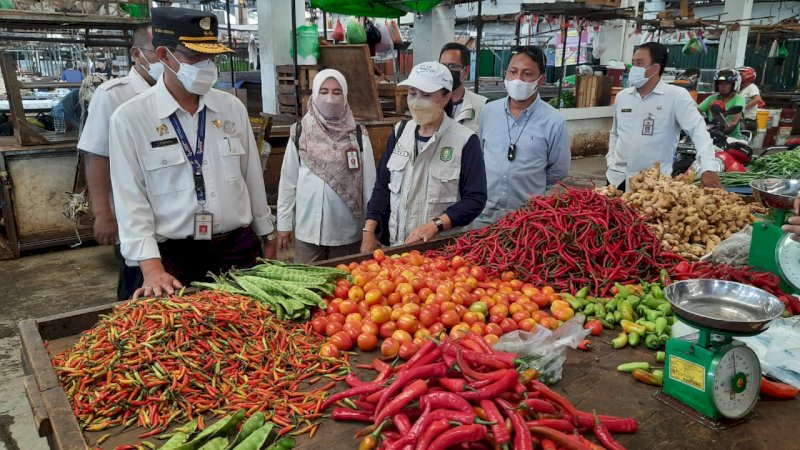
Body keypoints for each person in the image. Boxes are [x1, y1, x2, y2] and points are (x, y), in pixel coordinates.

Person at [108, 7, 277, 299]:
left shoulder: (231, 108)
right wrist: (150, 268)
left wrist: (266, 232)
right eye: (195, 57)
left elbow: (251, 178)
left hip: (236, 250)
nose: (206, 65)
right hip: (172, 259)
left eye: (211, 57)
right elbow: (130, 199)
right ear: (163, 55)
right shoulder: (131, 118)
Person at [361, 62, 487, 251]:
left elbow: (475, 199)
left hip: (442, 252)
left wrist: (436, 224)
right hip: (398, 246)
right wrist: (369, 231)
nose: (417, 101)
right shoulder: (399, 133)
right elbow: (382, 187)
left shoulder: (465, 141)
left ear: (446, 98)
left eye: (426, 95)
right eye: (413, 93)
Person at [79, 24, 162, 300]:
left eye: (169, 53)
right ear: (136, 54)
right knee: (137, 283)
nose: (164, 60)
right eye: (157, 52)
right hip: (131, 214)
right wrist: (103, 213)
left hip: (172, 218)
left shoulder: (177, 91)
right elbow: (96, 156)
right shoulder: (113, 95)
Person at [277, 69, 377, 263]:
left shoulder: (357, 135)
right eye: (323, 92)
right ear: (314, 94)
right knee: (307, 285)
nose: (330, 98)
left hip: (347, 231)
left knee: (346, 287)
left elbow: (369, 186)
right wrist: (284, 224)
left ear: (345, 95)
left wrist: (370, 230)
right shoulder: (300, 133)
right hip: (307, 229)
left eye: (336, 92)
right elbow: (288, 183)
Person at [475, 46, 570, 227]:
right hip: (484, 216)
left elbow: (559, 170)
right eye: (513, 72)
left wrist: (533, 186)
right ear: (505, 74)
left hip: (526, 220)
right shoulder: (489, 111)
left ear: (540, 80)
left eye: (527, 74)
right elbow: (480, 155)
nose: (518, 79)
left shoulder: (553, 121)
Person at [606, 42, 723, 191]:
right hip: (616, 179)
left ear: (655, 68)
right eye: (633, 63)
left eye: (639, 63)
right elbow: (615, 133)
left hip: (653, 184)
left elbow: (698, 131)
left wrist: (708, 167)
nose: (633, 68)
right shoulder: (623, 97)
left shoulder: (676, 96)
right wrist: (610, 160)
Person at [439, 42, 487, 132]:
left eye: (452, 66)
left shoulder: (482, 106)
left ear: (465, 71)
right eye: (443, 66)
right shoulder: (431, 103)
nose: (446, 71)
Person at [697, 68, 746, 139]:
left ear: (734, 85)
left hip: (731, 138)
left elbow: (735, 121)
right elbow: (697, 110)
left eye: (727, 83)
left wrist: (727, 121)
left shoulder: (739, 99)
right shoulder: (712, 98)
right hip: (710, 135)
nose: (723, 86)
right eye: (720, 83)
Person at [738, 66, 764, 133]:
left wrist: (743, 107)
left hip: (748, 121)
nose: (739, 77)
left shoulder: (752, 87)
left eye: (741, 75)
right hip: (742, 120)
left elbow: (757, 99)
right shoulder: (742, 88)